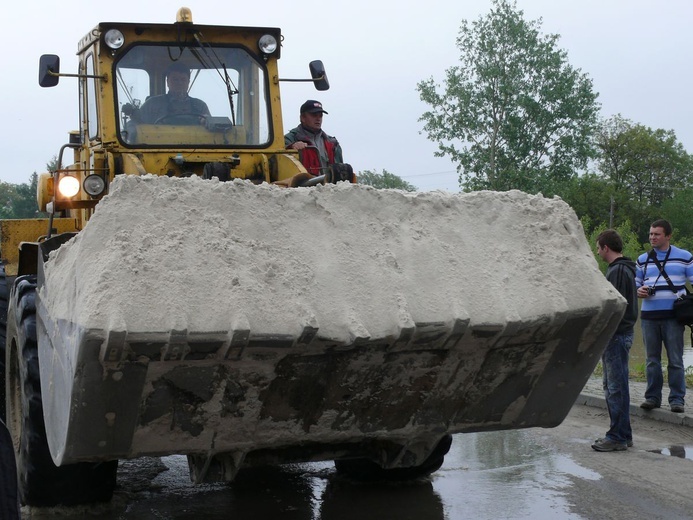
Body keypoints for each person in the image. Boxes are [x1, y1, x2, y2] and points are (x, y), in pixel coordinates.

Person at [636, 219, 693, 413]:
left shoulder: (684, 257)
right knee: (652, 360)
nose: (652, 237)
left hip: (673, 317)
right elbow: (635, 283)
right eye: (651, 234)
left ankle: (677, 399)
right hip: (648, 317)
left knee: (675, 360)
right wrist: (639, 290)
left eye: (657, 234)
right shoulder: (642, 258)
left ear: (668, 236)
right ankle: (652, 398)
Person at [591, 229, 638, 452]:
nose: (597, 251)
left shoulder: (618, 271)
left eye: (598, 247)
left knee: (615, 388)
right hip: (621, 334)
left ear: (606, 248)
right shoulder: (624, 268)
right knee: (616, 387)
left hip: (616, 336)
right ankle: (623, 434)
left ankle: (617, 437)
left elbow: (615, 306)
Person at [127, 62, 211, 125]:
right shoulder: (152, 104)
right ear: (167, 81)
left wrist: (207, 121)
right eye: (175, 79)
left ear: (188, 82)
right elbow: (133, 125)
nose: (179, 83)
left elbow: (212, 128)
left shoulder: (200, 106)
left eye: (183, 79)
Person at [284, 100, 344, 175]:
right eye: (314, 115)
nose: (318, 119)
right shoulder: (288, 140)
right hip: (301, 185)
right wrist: (291, 147)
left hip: (328, 186)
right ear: (302, 118)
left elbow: (340, 171)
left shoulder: (333, 144)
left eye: (320, 115)